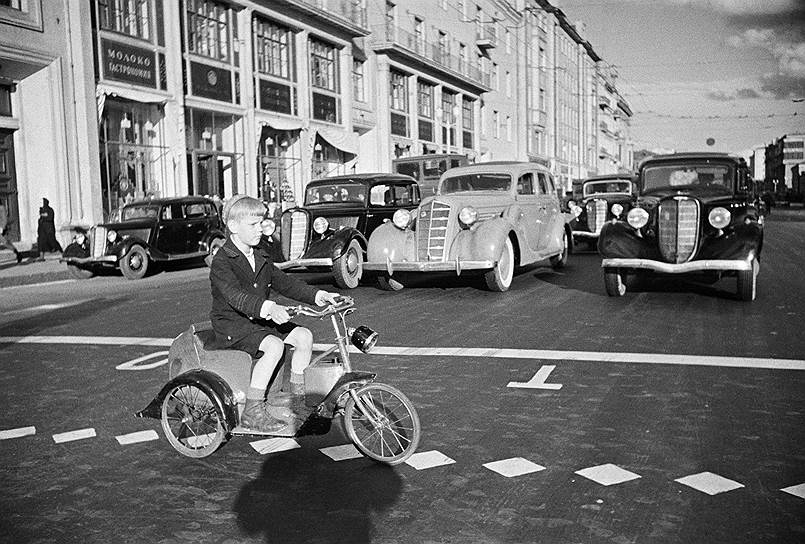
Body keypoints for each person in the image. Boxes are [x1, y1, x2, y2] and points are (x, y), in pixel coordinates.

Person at [209, 194, 340, 433]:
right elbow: (236, 297)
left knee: (304, 336)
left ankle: (297, 400)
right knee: (274, 346)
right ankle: (252, 410)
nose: (261, 229)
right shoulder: (222, 261)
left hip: (258, 321)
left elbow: (285, 283)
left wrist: (319, 295)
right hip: (233, 325)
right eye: (254, 225)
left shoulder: (259, 253)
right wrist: (270, 309)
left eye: (262, 223)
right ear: (233, 226)